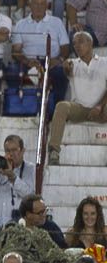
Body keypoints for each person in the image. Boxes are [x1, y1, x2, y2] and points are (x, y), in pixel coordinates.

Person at [7, 0, 70, 119]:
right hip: (28, 62)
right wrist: (28, 62)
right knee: (12, 71)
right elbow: (16, 51)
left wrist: (57, 60)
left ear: (47, 5)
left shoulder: (56, 22)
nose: (39, 6)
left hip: (51, 61)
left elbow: (65, 48)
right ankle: (16, 108)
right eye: (36, 3)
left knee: (61, 73)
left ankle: (56, 112)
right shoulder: (21, 24)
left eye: (42, 3)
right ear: (30, 5)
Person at [46, 31, 107, 164]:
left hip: (101, 110)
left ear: (90, 43)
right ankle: (54, 151)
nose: (77, 46)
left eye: (81, 42)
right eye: (74, 43)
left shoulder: (105, 62)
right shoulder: (72, 64)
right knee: (62, 106)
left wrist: (99, 106)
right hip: (80, 109)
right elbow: (66, 70)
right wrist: (64, 67)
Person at [0, 135, 34, 230]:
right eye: (7, 151)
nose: (11, 154)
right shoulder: (0, 170)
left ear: (22, 151)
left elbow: (29, 195)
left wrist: (12, 176)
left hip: (17, 221)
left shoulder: (30, 169)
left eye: (14, 150)